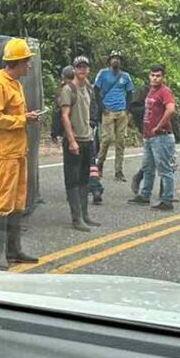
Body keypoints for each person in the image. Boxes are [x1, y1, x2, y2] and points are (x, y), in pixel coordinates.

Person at [0, 38, 41, 270]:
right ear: (16, 63)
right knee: (4, 202)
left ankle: (14, 249)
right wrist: (23, 119)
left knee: (18, 201)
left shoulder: (15, 83)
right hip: (4, 152)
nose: (29, 66)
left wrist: (26, 117)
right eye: (27, 62)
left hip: (18, 150)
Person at [60, 56, 101, 232]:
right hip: (75, 140)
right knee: (72, 179)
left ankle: (84, 215)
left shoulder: (88, 89)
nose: (82, 70)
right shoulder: (69, 89)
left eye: (85, 67)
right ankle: (76, 218)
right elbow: (64, 116)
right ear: (74, 69)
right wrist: (71, 141)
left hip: (87, 138)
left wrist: (91, 135)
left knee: (85, 179)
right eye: (79, 67)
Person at [129, 64, 177, 211]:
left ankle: (167, 199)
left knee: (164, 169)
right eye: (153, 75)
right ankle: (145, 195)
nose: (155, 78)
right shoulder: (150, 91)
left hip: (161, 136)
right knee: (148, 167)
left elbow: (170, 110)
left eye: (158, 76)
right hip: (149, 136)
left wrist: (159, 126)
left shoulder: (165, 92)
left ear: (163, 77)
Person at [93, 51, 134, 181]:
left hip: (121, 111)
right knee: (106, 139)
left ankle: (119, 171)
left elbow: (130, 93)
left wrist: (127, 109)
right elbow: (96, 90)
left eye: (118, 59)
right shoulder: (103, 73)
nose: (115, 61)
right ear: (109, 61)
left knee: (120, 141)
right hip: (108, 111)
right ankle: (99, 164)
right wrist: (102, 107)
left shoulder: (126, 76)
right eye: (113, 58)